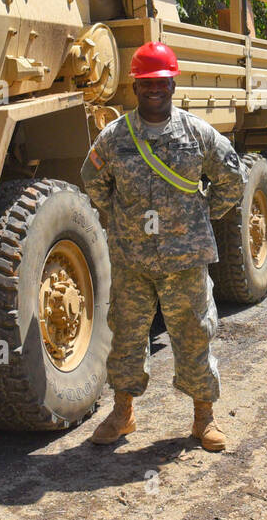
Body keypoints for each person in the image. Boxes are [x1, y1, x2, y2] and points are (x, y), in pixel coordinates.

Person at [79, 41, 246, 451]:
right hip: (132, 261)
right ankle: (123, 415)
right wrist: (123, 224)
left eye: (161, 82)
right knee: (126, 337)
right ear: (135, 88)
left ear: (173, 84)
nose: (154, 90)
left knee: (194, 335)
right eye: (146, 84)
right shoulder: (115, 136)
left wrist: (202, 217)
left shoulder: (196, 133)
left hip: (186, 261)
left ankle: (203, 418)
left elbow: (233, 178)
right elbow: (93, 181)